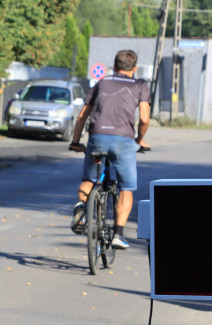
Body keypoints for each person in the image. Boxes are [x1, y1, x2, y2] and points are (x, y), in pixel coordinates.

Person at [68, 49, 150, 250]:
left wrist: (76, 142)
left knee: (89, 179)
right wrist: (140, 139)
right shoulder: (140, 86)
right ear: (135, 68)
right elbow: (145, 119)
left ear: (114, 67)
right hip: (123, 140)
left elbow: (82, 116)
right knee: (127, 187)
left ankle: (81, 207)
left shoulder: (102, 82)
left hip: (97, 136)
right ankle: (118, 234)